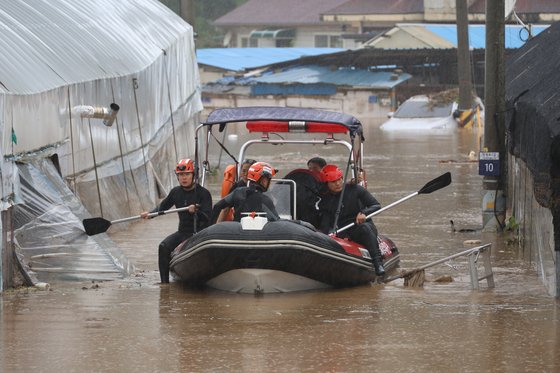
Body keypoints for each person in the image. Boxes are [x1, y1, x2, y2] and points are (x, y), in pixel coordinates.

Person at [141, 159, 212, 284]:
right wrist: (150, 214)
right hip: (183, 232)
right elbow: (162, 207)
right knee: (163, 247)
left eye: (187, 174)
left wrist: (196, 211)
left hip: (200, 233)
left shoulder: (203, 194)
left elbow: (208, 217)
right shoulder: (176, 192)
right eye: (180, 175)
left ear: (193, 175)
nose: (183, 178)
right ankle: (164, 284)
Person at [317, 164, 385, 276]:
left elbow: (376, 205)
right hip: (342, 229)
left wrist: (364, 213)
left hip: (360, 225)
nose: (338, 183)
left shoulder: (355, 189)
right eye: (334, 182)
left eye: (340, 180)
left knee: (364, 228)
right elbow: (325, 221)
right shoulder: (324, 198)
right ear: (326, 184)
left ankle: (378, 263)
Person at [212, 161, 280, 223]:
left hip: (236, 232)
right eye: (269, 180)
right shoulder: (266, 200)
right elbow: (277, 221)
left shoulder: (237, 192)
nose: (269, 182)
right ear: (264, 181)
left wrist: (215, 227)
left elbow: (217, 206)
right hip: (256, 235)